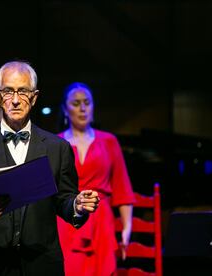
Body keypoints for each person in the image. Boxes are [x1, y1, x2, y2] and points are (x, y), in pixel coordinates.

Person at [0, 61, 100, 276]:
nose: (15, 100)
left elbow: (64, 200)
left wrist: (77, 205)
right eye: (8, 91)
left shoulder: (57, 148)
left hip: (43, 264)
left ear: (35, 97)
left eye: (22, 91)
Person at [56, 82, 135, 276]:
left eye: (87, 102)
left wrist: (127, 227)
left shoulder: (108, 141)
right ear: (65, 110)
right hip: (68, 221)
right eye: (76, 103)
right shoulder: (56, 144)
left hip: (101, 223)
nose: (82, 108)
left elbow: (122, 187)